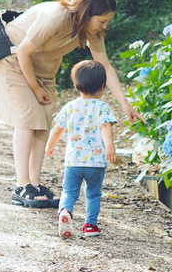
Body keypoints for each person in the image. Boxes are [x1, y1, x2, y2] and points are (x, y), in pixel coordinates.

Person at [0, 0, 140, 208]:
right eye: (102, 21)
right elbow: (23, 52)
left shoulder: (91, 31)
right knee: (28, 119)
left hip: (44, 69)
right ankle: (21, 185)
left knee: (44, 120)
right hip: (15, 61)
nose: (105, 26)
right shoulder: (56, 16)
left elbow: (105, 66)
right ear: (87, 13)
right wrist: (36, 89)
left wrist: (125, 105)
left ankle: (34, 185)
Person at [45, 60, 119, 237]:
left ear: (77, 87)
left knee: (69, 191)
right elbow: (105, 127)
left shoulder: (70, 107)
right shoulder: (102, 107)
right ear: (102, 86)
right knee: (93, 194)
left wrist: (50, 145)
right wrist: (110, 147)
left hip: (73, 162)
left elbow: (57, 129)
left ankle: (65, 211)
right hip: (96, 163)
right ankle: (90, 226)